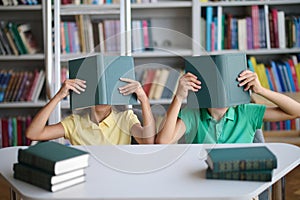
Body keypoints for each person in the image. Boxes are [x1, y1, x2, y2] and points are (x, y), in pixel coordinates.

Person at [156, 70, 300, 144]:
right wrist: (179, 97)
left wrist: (261, 90)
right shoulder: (193, 114)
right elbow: (163, 141)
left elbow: (296, 111)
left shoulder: (245, 111)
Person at [26, 77, 156, 145]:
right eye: (95, 92)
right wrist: (58, 96)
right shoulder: (75, 123)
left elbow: (148, 141)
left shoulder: (126, 118)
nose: (101, 98)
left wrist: (144, 99)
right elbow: (33, 134)